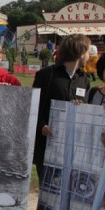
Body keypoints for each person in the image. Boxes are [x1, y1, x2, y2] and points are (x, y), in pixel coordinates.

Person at [31, 34, 91, 186]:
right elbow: (33, 107)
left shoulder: (84, 79)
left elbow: (87, 110)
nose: (89, 56)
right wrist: (42, 126)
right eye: (89, 52)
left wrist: (81, 107)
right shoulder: (46, 75)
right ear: (81, 52)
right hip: (48, 146)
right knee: (49, 189)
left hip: (74, 147)